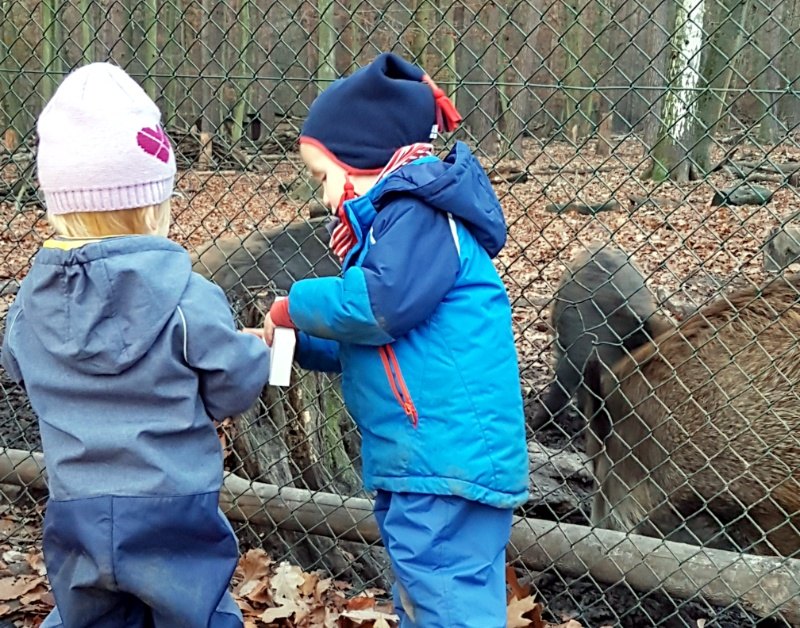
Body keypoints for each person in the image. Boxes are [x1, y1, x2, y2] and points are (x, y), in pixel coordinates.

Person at [261, 52, 529, 627]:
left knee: (443, 593)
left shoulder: (418, 215)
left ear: (360, 159)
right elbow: (380, 342)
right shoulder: (399, 227)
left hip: (443, 458)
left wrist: (294, 305)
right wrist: (298, 344)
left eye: (323, 176)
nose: (326, 197)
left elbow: (378, 308)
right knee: (427, 589)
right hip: (427, 458)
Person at [1, 63, 269, 628]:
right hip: (173, 506)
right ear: (154, 203)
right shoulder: (187, 298)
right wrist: (258, 350)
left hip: (75, 507)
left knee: (88, 615)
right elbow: (233, 384)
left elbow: (17, 366)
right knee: (196, 613)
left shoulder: (29, 307)